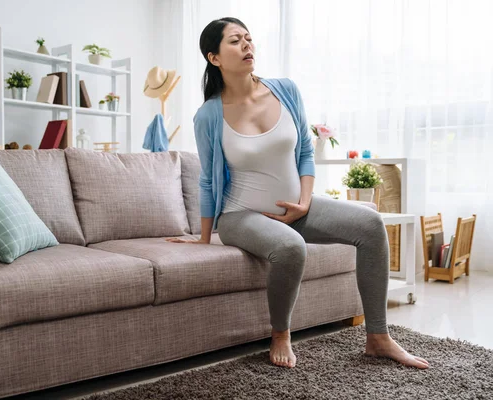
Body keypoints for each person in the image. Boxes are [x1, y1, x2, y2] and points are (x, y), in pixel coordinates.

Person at [165, 17, 430, 370]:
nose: (247, 45)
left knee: (370, 222)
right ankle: (280, 334)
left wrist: (304, 202)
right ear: (214, 58)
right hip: (241, 216)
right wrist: (202, 237)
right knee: (290, 247)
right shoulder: (209, 116)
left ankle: (378, 337)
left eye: (248, 38)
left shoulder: (285, 90)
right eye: (234, 41)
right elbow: (208, 182)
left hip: (296, 207)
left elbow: (305, 151)